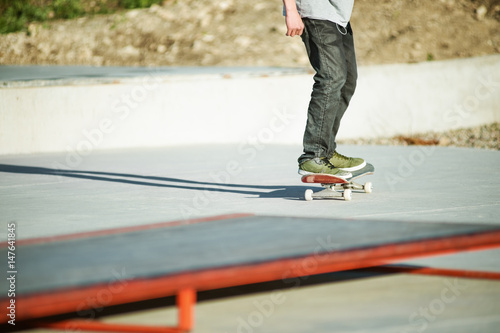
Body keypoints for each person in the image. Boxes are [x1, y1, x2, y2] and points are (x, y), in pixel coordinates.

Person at [283, 0, 366, 179]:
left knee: (347, 81)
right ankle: (313, 155)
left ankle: (326, 152)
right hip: (315, 12)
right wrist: (291, 10)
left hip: (338, 16)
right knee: (331, 77)